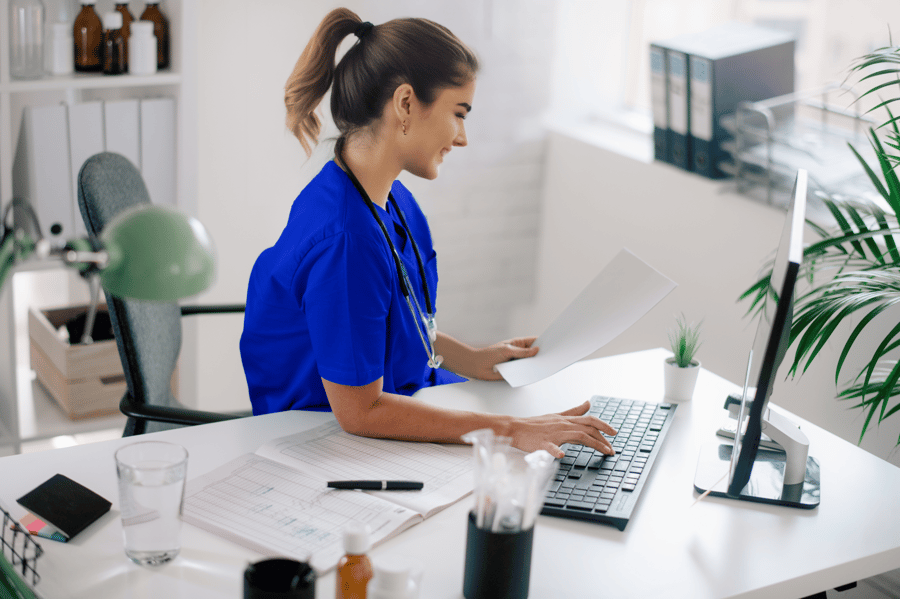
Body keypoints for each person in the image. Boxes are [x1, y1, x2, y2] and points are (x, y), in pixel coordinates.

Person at [239, 7, 615, 459]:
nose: (462, 138)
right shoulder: (345, 240)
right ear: (405, 103)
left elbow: (392, 316)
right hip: (330, 442)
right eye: (459, 113)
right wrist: (511, 430)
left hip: (401, 399)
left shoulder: (385, 197)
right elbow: (361, 412)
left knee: (539, 432)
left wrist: (470, 358)